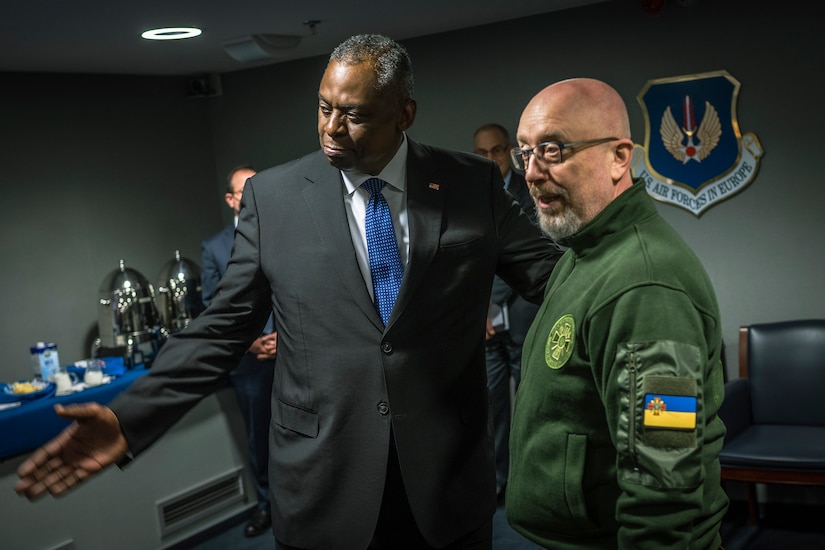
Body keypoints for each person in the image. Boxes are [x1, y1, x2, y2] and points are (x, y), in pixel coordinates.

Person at [15, 34, 561, 549]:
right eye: (324, 107)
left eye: (354, 114)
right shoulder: (271, 198)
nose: (331, 128)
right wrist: (127, 417)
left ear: (404, 114)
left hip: (446, 482)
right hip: (323, 486)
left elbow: (550, 275)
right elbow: (224, 325)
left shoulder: (470, 183)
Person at [505, 77, 729, 549]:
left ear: (619, 157)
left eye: (553, 150)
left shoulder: (646, 284)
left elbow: (664, 479)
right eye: (525, 152)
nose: (530, 172)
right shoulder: (583, 252)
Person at [200, 164, 278, 537]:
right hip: (248, 364)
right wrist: (249, 343)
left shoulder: (283, 233)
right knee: (258, 439)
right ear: (231, 199)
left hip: (291, 354)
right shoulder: (214, 249)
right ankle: (267, 506)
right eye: (245, 190)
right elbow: (212, 308)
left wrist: (285, 336)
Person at [473, 123, 540, 503]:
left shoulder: (530, 189)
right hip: (485, 328)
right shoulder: (468, 195)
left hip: (523, 317)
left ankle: (531, 486)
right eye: (481, 153)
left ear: (508, 150)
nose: (490, 159)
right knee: (492, 414)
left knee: (532, 410)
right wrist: (478, 309)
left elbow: (523, 254)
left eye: (497, 151)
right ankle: (498, 485)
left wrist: (491, 302)